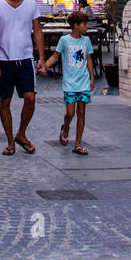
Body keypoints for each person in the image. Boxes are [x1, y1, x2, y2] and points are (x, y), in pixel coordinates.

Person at [0, 0, 46, 155]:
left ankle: (21, 133)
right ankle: (10, 141)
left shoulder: (31, 4)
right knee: (5, 102)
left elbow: (37, 30)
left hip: (25, 58)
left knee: (30, 98)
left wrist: (42, 59)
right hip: (4, 59)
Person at [42, 10, 94, 155]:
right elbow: (55, 56)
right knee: (70, 112)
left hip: (83, 81)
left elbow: (89, 59)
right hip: (70, 83)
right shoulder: (64, 40)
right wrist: (45, 66)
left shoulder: (86, 41)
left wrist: (92, 77)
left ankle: (77, 144)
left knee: (81, 112)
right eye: (84, 24)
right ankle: (66, 127)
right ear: (76, 25)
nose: (87, 27)